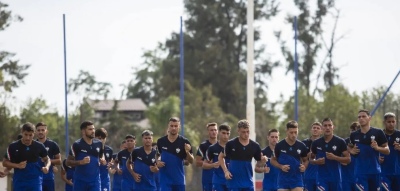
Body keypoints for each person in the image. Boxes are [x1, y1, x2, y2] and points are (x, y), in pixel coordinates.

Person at [219, 119, 268, 191]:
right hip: (234, 183)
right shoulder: (231, 144)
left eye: (248, 132)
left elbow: (259, 163)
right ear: (238, 131)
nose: (246, 134)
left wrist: (263, 161)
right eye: (243, 132)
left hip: (248, 183)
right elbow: (220, 157)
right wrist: (226, 171)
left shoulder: (255, 146)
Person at [348, 109, 389, 191]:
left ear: (369, 118)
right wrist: (350, 151)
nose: (361, 118)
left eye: (363, 116)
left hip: (375, 172)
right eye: (359, 117)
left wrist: (377, 148)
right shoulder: (354, 135)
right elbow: (348, 146)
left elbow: (387, 150)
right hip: (360, 172)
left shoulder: (378, 132)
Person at [3, 122, 51, 191]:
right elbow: (5, 162)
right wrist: (17, 165)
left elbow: (47, 159)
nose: (28, 138)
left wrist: (47, 167)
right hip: (19, 182)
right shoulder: (13, 146)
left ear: (34, 134)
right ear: (22, 132)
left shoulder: (39, 146)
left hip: (35, 181)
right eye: (26, 135)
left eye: (30, 135)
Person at [310, 118, 350, 190]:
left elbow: (348, 159)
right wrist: (316, 161)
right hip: (321, 178)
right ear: (322, 128)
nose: (327, 128)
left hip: (336, 179)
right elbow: (311, 158)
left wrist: (335, 157)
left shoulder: (340, 142)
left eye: (329, 125)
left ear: (333, 127)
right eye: (325, 126)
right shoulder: (316, 143)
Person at [156, 117, 194, 191]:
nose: (173, 128)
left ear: (179, 127)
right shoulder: (161, 141)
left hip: (179, 180)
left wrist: (187, 152)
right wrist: (157, 162)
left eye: (176, 126)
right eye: (172, 126)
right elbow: (157, 154)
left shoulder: (184, 142)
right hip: (165, 181)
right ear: (168, 126)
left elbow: (191, 161)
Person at [66, 121, 106, 191]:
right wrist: (80, 162)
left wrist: (102, 160)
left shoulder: (99, 144)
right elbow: (68, 162)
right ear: (83, 131)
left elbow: (101, 156)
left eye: (93, 129)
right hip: (80, 182)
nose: (93, 131)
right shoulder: (76, 145)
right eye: (90, 129)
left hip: (95, 182)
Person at [270, 120, 308, 191]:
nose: (294, 135)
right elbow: (272, 160)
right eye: (291, 132)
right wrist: (281, 166)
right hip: (283, 180)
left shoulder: (302, 146)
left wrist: (304, 166)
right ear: (287, 131)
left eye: (295, 132)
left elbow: (305, 160)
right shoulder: (279, 145)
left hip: (297, 179)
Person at [204, 124, 231, 191]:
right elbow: (204, 165)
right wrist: (213, 165)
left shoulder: (233, 147)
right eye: (223, 133)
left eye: (228, 133)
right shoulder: (212, 148)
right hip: (218, 181)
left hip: (231, 180)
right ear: (219, 132)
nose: (226, 136)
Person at [36, 122, 62, 191]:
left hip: (48, 177)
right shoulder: (33, 145)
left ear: (46, 131)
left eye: (42, 130)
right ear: (36, 132)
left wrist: (47, 161)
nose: (40, 132)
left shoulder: (53, 144)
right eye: (38, 130)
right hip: (36, 178)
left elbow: (59, 160)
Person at [379, 112, 400, 190]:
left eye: (393, 122)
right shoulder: (379, 135)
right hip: (383, 173)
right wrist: (377, 158)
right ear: (384, 122)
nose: (391, 124)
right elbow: (371, 151)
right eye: (389, 122)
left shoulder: (399, 134)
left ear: (395, 122)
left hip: (398, 173)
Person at [196, 122, 218, 191]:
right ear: (208, 132)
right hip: (207, 178)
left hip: (219, 179)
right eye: (211, 130)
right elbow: (197, 162)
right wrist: (209, 163)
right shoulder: (203, 146)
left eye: (215, 130)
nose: (214, 132)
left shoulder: (222, 145)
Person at [302, 122, 322, 191]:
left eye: (318, 128)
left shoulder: (324, 143)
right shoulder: (304, 143)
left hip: (321, 176)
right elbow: (300, 158)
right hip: (308, 176)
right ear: (311, 130)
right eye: (314, 128)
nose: (315, 129)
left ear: (321, 131)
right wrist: (307, 156)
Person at [341, 122, 359, 191]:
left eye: (356, 131)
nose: (354, 133)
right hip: (346, 177)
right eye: (352, 131)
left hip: (359, 176)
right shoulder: (343, 142)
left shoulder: (363, 142)